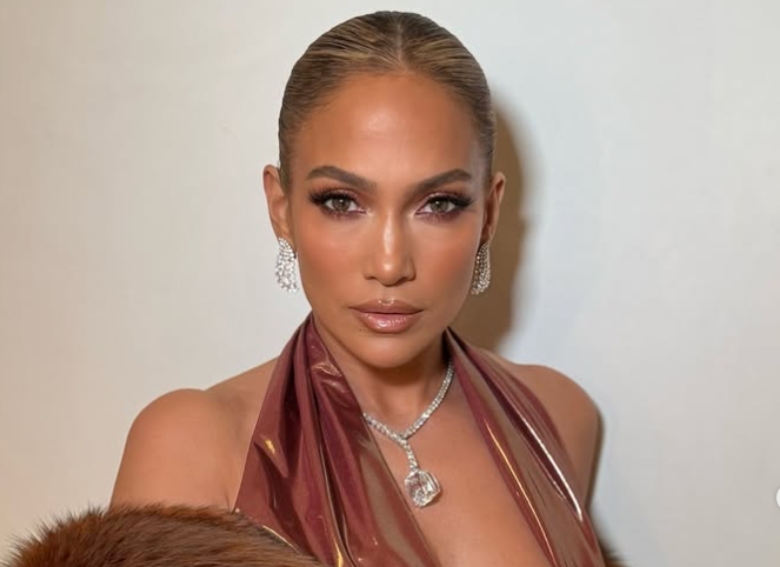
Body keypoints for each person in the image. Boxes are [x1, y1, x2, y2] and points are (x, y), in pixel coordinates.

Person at [111, 10, 607, 567]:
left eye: (438, 204)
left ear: (488, 213)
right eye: (341, 202)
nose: (390, 264)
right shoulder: (193, 448)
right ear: (281, 209)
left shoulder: (559, 415)